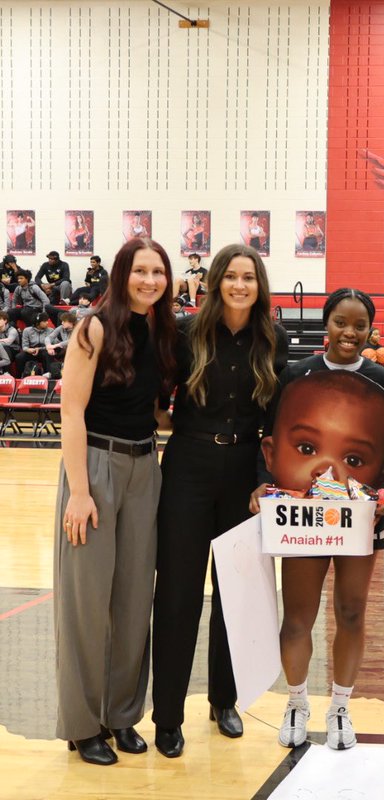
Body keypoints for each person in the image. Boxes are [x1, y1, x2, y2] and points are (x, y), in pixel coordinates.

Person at [151, 243, 289, 759]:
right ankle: (167, 716)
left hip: (243, 472)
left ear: (259, 286)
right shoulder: (185, 333)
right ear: (214, 283)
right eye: (230, 276)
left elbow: (275, 422)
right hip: (188, 467)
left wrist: (263, 479)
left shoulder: (273, 339)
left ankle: (223, 700)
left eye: (248, 277)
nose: (239, 285)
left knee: (234, 591)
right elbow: (158, 398)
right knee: (178, 595)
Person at [55, 237, 177, 765]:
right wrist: (80, 492)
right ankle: (83, 726)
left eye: (158, 272)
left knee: (132, 601)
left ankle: (121, 715)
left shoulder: (160, 332)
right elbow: (72, 411)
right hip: (96, 466)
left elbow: (153, 410)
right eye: (140, 270)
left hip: (145, 466)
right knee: (87, 603)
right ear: (122, 274)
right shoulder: (94, 328)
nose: (150, 280)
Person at [264, 354, 384, 751]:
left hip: (361, 518)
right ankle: (296, 702)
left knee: (352, 612)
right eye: (308, 448)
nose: (328, 470)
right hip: (302, 517)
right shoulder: (297, 374)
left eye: (352, 459)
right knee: (297, 618)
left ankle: (340, 707)